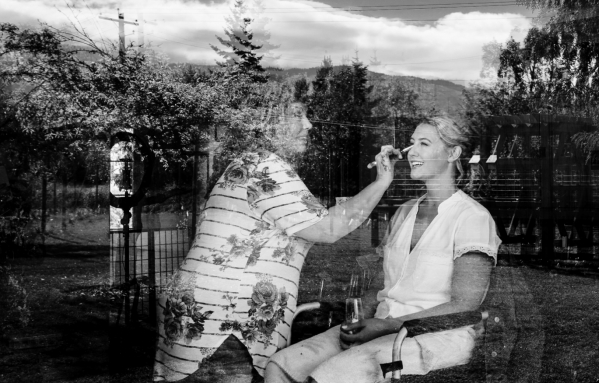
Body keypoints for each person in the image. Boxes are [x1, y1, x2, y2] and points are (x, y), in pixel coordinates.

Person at [153, 101, 403, 381]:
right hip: (224, 322)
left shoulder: (250, 163)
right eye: (297, 116)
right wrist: (382, 181)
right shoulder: (265, 167)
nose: (308, 125)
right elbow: (329, 229)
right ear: (268, 122)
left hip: (207, 313)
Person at [266, 115, 501, 383]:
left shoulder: (473, 217)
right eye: (412, 143)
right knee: (282, 364)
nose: (412, 152)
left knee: (331, 374)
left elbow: (465, 305)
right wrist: (361, 319)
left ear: (453, 153)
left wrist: (384, 326)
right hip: (382, 328)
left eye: (424, 144)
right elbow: (381, 283)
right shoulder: (404, 212)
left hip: (434, 337)